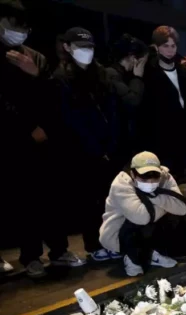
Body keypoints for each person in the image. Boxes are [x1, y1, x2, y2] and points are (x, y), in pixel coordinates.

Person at [0, 0, 84, 276]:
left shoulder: (36, 57)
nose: (20, 32)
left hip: (45, 139)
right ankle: (31, 257)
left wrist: (34, 75)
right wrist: (26, 129)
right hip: (12, 141)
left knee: (52, 197)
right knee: (24, 202)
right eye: (14, 25)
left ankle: (59, 250)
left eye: (24, 27)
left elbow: (52, 96)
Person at [54, 27, 121, 263]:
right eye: (81, 47)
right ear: (67, 47)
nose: (86, 52)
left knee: (109, 199)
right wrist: (94, 148)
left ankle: (111, 241)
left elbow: (112, 110)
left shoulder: (101, 74)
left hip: (108, 147)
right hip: (81, 151)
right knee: (88, 202)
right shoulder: (61, 78)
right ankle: (93, 246)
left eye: (90, 47)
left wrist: (110, 143)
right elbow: (70, 119)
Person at [99, 152, 186, 277]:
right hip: (119, 228)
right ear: (132, 174)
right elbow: (141, 217)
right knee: (136, 221)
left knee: (171, 219)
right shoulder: (120, 183)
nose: (150, 180)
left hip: (149, 220)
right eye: (144, 176)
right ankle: (130, 258)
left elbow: (182, 208)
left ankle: (152, 253)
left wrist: (154, 197)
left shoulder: (165, 176)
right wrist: (165, 203)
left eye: (154, 175)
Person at [139, 26, 186, 176]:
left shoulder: (185, 74)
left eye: (173, 46)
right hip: (163, 141)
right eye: (165, 46)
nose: (170, 50)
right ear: (156, 47)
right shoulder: (149, 75)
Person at [106, 34, 148, 165]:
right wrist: (137, 77)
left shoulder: (121, 75)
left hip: (123, 141)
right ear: (133, 57)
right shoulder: (112, 74)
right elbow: (133, 101)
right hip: (117, 143)